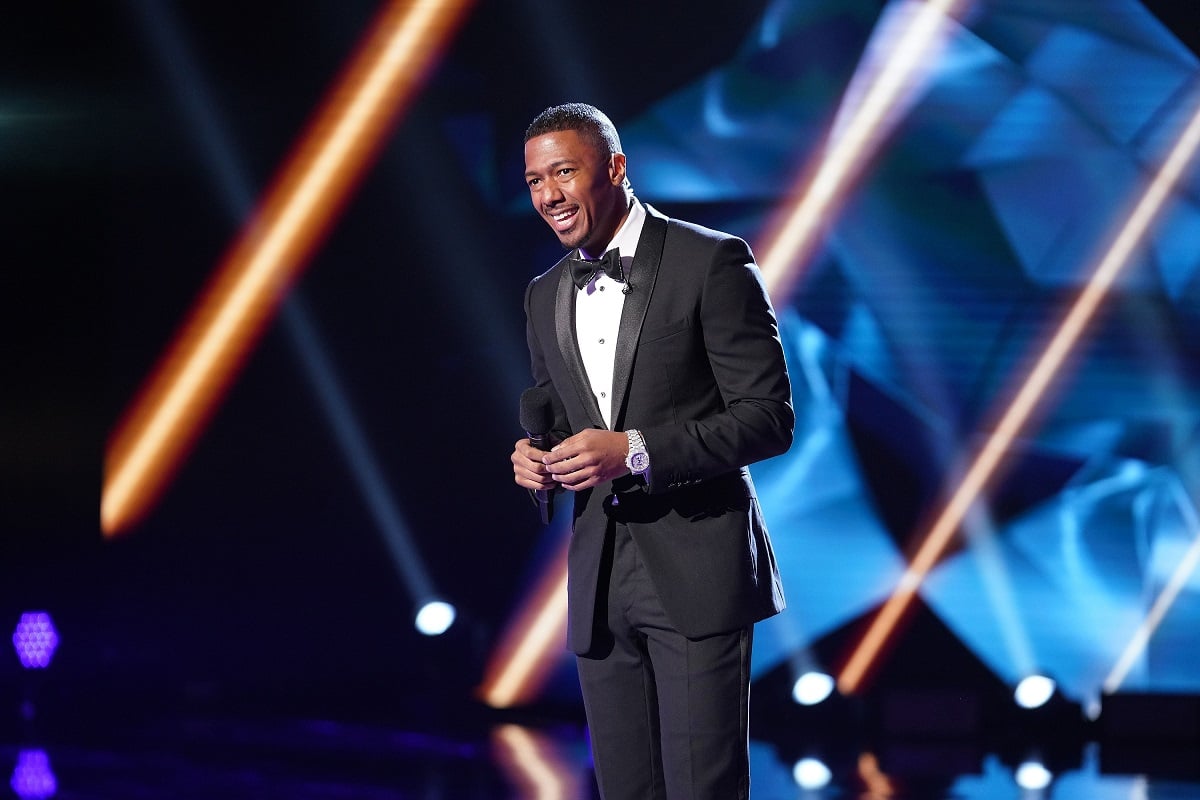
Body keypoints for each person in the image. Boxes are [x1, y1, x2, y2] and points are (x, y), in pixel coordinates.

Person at [510, 102, 793, 800]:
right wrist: (536, 461)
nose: (548, 194)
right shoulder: (545, 295)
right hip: (601, 578)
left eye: (564, 172)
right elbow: (557, 416)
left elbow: (768, 419)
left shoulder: (711, 262)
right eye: (534, 180)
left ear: (615, 167)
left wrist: (634, 450)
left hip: (697, 566)